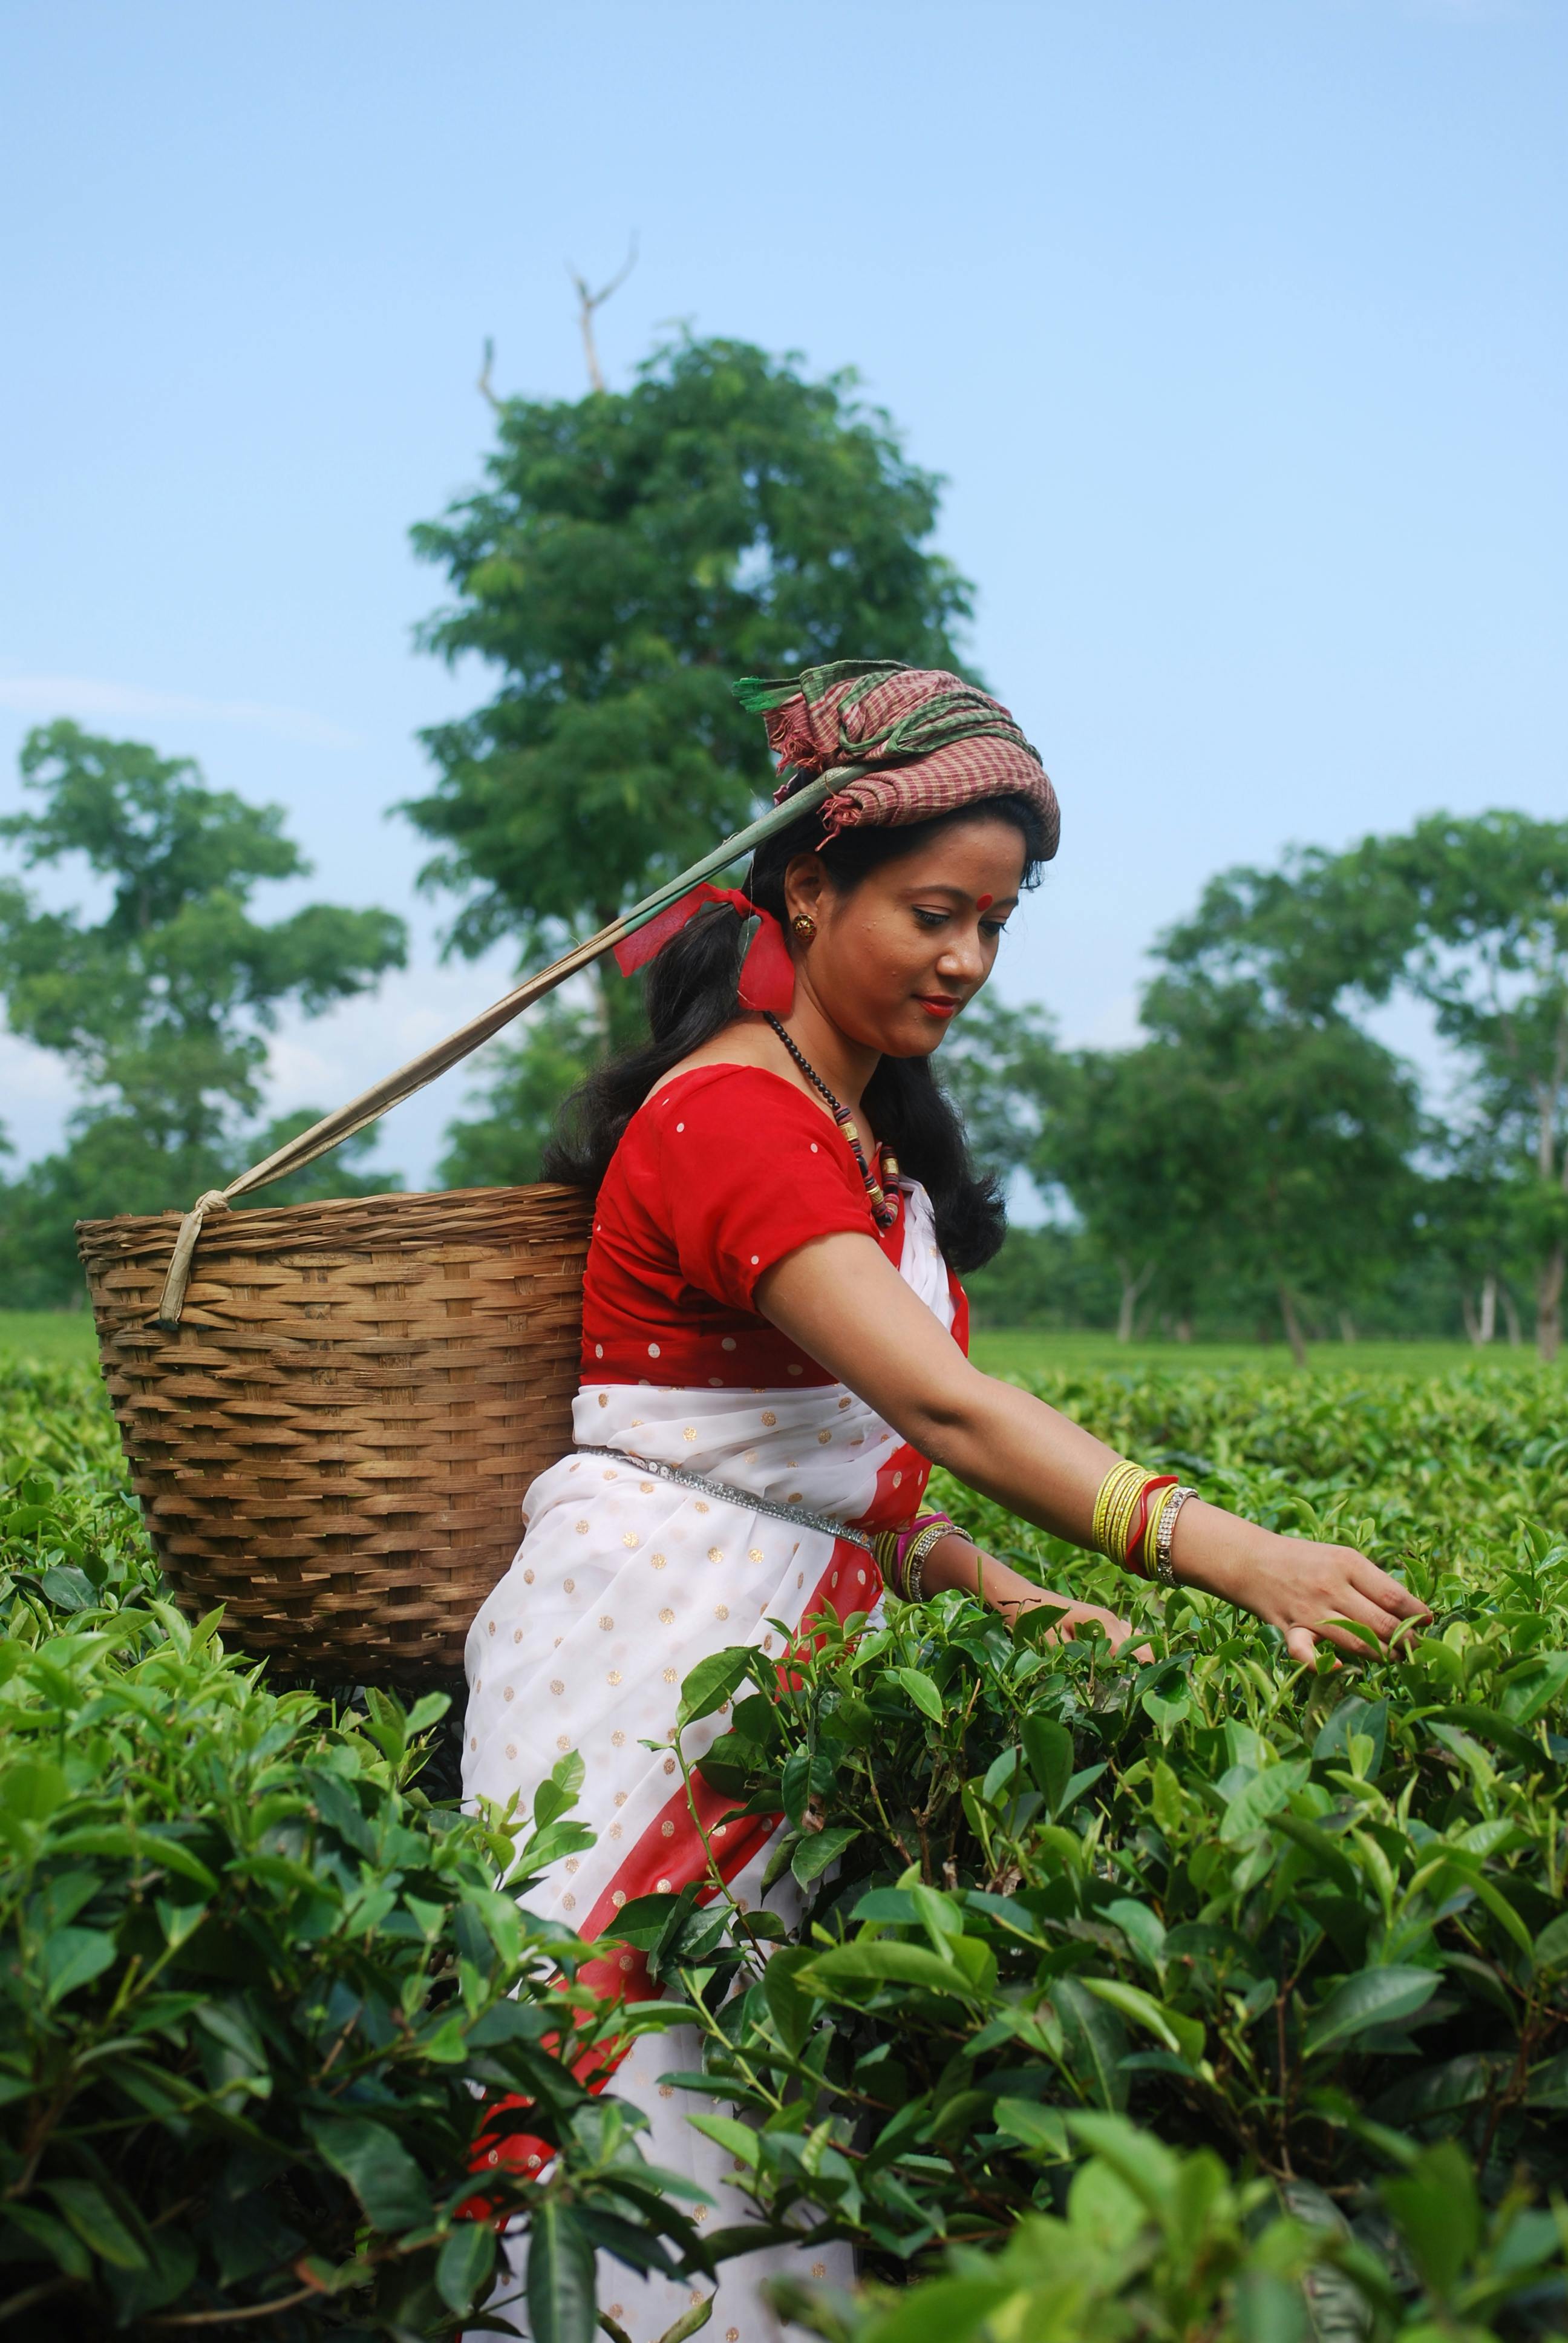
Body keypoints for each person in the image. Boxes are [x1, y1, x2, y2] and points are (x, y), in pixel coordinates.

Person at [462, 661, 1428, 2342]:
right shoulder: (733, 1121)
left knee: (761, 2125)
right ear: (810, 889)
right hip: (643, 1661)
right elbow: (940, 1404)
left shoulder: (856, 1136)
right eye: (932, 913)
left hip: (782, 1678)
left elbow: (855, 1471)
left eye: (995, 922)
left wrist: (994, 1591)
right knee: (629, 2111)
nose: (967, 960)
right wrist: (1235, 1553)